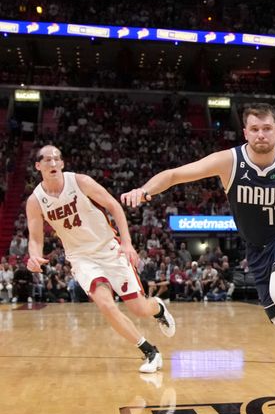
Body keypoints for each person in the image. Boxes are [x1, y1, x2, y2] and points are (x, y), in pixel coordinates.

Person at [121, 103, 275, 403]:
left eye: (267, 129)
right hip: (257, 249)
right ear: (245, 132)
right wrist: (145, 191)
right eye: (255, 129)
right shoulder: (229, 161)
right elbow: (176, 174)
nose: (261, 135)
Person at [25, 145, 175, 373]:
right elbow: (35, 238)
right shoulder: (35, 201)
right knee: (105, 304)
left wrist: (126, 242)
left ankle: (158, 309)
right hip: (81, 258)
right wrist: (34, 256)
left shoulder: (80, 182)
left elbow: (114, 206)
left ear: (63, 163)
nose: (53, 163)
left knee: (140, 309)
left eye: (57, 159)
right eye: (47, 160)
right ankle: (150, 351)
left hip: (108, 249)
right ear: (38, 166)